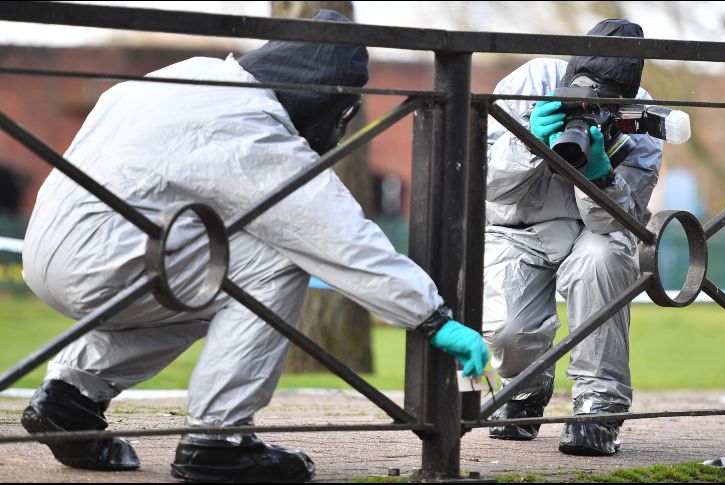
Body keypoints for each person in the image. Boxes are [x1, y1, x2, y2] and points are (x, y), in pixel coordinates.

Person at [20, 10, 489, 483]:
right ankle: (218, 440)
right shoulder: (253, 128)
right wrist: (432, 317)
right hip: (108, 259)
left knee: (209, 288)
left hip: (51, 249)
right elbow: (337, 236)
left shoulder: (187, 75)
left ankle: (70, 400)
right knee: (273, 257)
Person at [483, 19, 663, 456]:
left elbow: (620, 220)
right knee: (507, 335)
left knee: (600, 259)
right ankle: (526, 387)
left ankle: (598, 409)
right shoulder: (531, 79)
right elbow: (484, 184)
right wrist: (529, 143)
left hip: (592, 231)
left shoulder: (641, 115)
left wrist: (598, 174)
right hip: (517, 226)